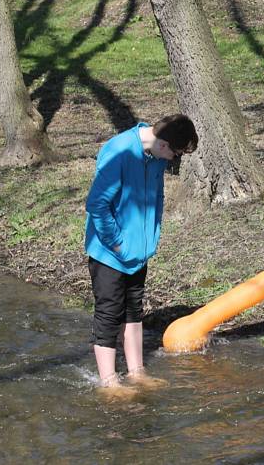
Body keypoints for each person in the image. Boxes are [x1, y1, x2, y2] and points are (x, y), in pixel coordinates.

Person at [85, 114, 198, 391]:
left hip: (138, 254)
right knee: (109, 314)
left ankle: (136, 372)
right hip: (109, 253)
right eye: (176, 153)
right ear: (163, 143)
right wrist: (116, 243)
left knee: (134, 312)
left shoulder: (156, 158)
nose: (174, 159)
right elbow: (97, 204)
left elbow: (156, 198)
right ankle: (109, 382)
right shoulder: (119, 151)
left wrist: (151, 239)